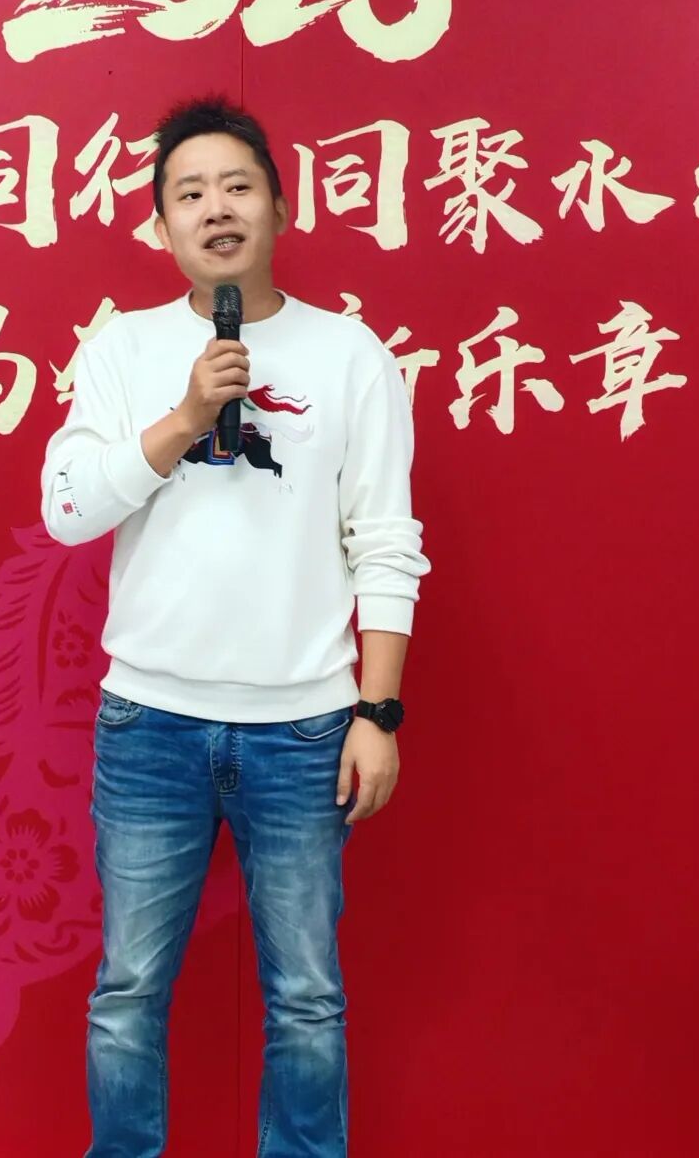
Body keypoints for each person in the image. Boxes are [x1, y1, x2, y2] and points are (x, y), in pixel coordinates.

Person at [40, 96, 432, 1157]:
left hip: (303, 731)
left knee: (305, 996)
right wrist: (179, 419)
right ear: (161, 225)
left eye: (236, 186)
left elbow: (384, 542)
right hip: (149, 727)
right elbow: (66, 509)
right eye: (189, 193)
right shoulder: (122, 350)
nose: (215, 209)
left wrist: (376, 713)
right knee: (127, 989)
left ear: (279, 206)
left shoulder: (350, 354)